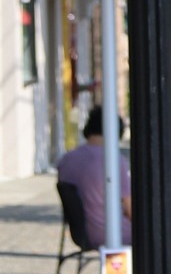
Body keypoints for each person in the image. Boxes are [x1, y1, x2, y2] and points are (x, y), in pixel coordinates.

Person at [56, 104, 132, 247]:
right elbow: (130, 210)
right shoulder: (114, 161)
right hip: (115, 233)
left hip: (81, 235)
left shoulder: (66, 160)